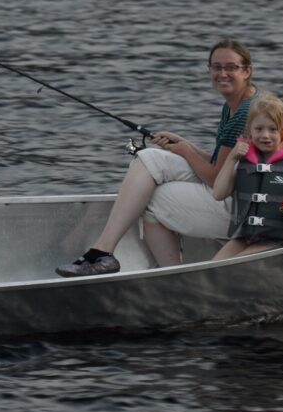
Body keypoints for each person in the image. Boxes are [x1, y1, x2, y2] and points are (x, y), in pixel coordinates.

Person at [56, 38, 259, 277]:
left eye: (231, 67)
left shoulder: (245, 113)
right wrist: (185, 144)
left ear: (247, 71)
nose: (222, 73)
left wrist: (185, 151)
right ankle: (106, 252)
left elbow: (217, 180)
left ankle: (166, 274)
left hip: (248, 207)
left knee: (150, 200)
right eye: (216, 67)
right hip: (235, 189)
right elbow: (223, 163)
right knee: (150, 158)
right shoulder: (237, 104)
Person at [210, 92, 283, 260]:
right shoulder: (243, 163)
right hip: (246, 236)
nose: (265, 135)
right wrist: (231, 158)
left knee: (234, 264)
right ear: (250, 132)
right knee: (215, 266)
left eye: (273, 129)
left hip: (278, 239)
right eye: (259, 129)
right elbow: (218, 194)